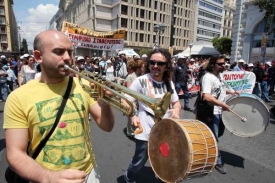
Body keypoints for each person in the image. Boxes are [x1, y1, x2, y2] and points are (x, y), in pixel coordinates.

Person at [3, 30, 115, 183]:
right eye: (59, 52)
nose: (68, 57)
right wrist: (48, 177)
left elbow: (107, 127)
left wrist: (106, 106)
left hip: (88, 174)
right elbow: (15, 153)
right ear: (38, 56)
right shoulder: (18, 97)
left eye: (70, 52)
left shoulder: (83, 85)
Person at [124, 49, 181, 183]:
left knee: (164, 161)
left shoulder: (169, 83)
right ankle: (129, 178)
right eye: (152, 62)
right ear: (148, 64)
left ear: (166, 66)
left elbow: (176, 102)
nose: (155, 66)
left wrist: (176, 110)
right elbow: (125, 101)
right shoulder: (140, 81)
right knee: (138, 162)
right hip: (145, 132)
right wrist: (132, 115)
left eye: (160, 63)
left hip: (165, 133)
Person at [200, 55, 239, 174]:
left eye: (224, 63)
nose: (224, 65)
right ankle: (218, 162)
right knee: (215, 137)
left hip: (220, 110)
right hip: (211, 112)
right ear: (213, 65)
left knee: (219, 132)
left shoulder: (220, 76)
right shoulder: (207, 77)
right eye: (220, 64)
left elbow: (220, 89)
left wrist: (232, 92)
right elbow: (206, 96)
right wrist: (222, 104)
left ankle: (205, 147)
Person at [124, 59, 145, 137]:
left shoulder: (142, 76)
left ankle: (137, 130)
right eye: (143, 67)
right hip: (132, 100)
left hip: (139, 100)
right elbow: (129, 91)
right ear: (139, 67)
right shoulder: (130, 76)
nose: (144, 68)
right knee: (131, 115)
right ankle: (130, 132)